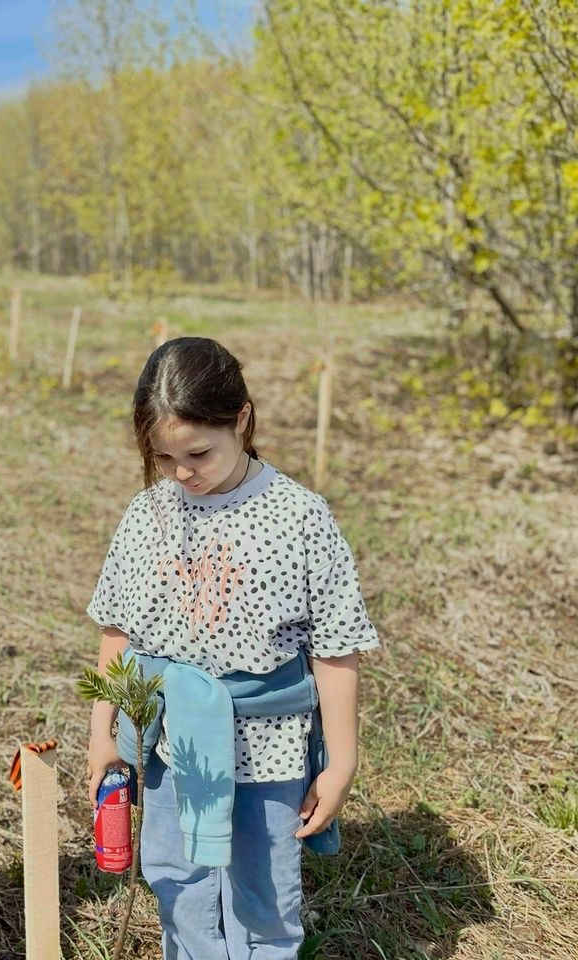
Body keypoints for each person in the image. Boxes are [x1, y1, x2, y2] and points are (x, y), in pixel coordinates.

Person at [84, 337, 379, 960]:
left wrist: (342, 760)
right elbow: (117, 631)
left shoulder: (299, 517)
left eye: (198, 453)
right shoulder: (147, 515)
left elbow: (336, 648)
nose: (182, 472)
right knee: (176, 878)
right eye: (162, 457)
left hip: (267, 744)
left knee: (264, 889)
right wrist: (102, 734)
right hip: (171, 738)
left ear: (241, 419)